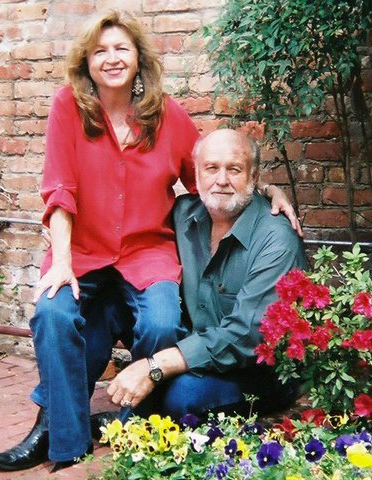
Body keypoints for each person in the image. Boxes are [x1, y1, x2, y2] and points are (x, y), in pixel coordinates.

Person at [0, 11, 299, 473]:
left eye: (122, 49)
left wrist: (264, 190)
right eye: (100, 51)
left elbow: (209, 172)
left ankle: (136, 425)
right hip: (83, 250)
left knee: (160, 321)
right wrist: (62, 261)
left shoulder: (165, 115)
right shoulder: (66, 109)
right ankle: (62, 440)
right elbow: (59, 191)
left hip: (146, 255)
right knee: (54, 314)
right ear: (86, 61)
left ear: (138, 59)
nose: (112, 59)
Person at [106, 129, 308, 420]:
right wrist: (66, 237)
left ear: (253, 177)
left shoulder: (276, 240)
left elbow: (247, 336)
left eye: (234, 170)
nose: (222, 180)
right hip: (197, 350)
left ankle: (141, 423)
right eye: (211, 168)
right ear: (197, 174)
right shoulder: (182, 215)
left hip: (256, 368)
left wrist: (155, 365)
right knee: (104, 302)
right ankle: (60, 420)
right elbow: (124, 233)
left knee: (182, 396)